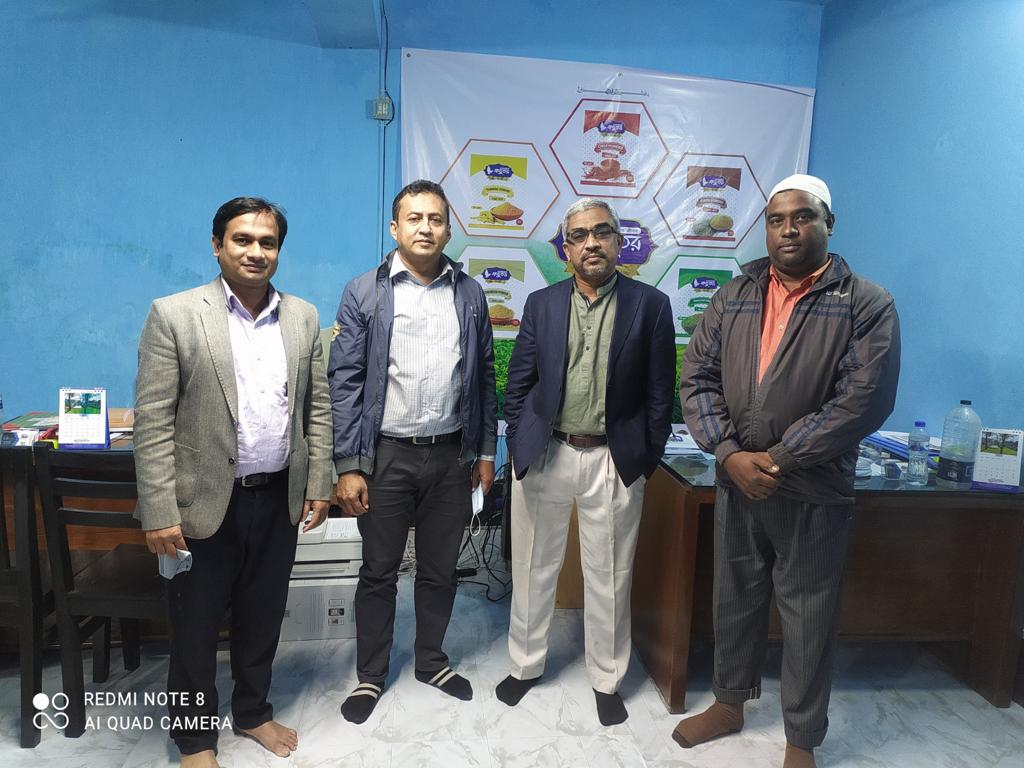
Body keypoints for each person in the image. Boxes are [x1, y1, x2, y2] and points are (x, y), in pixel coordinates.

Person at [676, 175, 901, 767]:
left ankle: (802, 739)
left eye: (803, 217)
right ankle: (728, 704)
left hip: (811, 488)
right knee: (735, 599)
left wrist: (778, 459)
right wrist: (729, 454)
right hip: (737, 480)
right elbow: (697, 377)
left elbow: (863, 400)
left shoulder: (864, 302)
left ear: (829, 224)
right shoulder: (736, 294)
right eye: (776, 220)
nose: (788, 230)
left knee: (809, 618)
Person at [134, 197, 333, 767]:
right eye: (242, 239)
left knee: (262, 617)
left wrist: (319, 481)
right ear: (217, 245)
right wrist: (159, 510)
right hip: (199, 504)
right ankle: (195, 740)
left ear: (279, 251)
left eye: (267, 242)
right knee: (194, 628)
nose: (255, 251)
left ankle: (252, 712)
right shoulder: (175, 314)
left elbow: (317, 407)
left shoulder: (303, 317)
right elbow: (153, 421)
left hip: (277, 497)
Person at [496, 198, 676, 725]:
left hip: (614, 459)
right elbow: (519, 383)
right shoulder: (542, 304)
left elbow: (660, 393)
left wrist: (645, 456)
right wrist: (520, 442)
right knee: (533, 566)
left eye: (602, 232)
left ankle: (607, 678)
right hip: (546, 452)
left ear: (619, 242)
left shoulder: (651, 305)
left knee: (610, 574)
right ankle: (525, 665)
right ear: (566, 248)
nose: (591, 243)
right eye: (579, 235)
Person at [328, 179, 497, 724]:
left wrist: (486, 450)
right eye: (415, 218)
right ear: (395, 227)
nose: (426, 228)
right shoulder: (365, 292)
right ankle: (371, 675)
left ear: (449, 230)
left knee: (440, 570)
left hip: (451, 457)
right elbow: (345, 382)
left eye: (436, 219)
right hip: (385, 458)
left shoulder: (470, 294)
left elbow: (484, 378)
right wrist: (349, 465)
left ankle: (431, 662)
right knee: (378, 570)